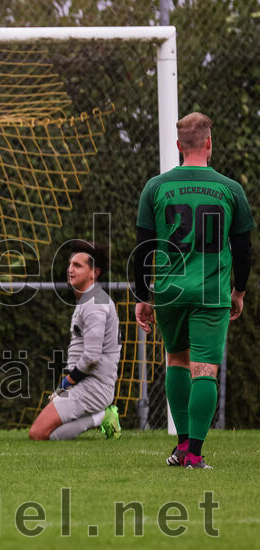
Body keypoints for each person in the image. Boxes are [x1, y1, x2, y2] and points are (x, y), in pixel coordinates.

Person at [134, 112, 254, 469]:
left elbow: (142, 247)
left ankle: (181, 444)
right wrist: (240, 291)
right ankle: (194, 455)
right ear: (209, 143)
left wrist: (143, 296)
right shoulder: (231, 189)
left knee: (177, 361)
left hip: (169, 291)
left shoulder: (155, 187)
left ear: (177, 146)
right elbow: (245, 249)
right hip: (210, 291)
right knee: (205, 370)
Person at [29, 240, 122, 441]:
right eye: (70, 264)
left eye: (78, 265)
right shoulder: (90, 299)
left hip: (92, 386)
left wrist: (66, 383)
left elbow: (91, 358)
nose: (70, 269)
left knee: (38, 434)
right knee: (47, 434)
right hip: (86, 383)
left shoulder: (95, 304)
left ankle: (100, 416)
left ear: (94, 273)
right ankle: (98, 416)